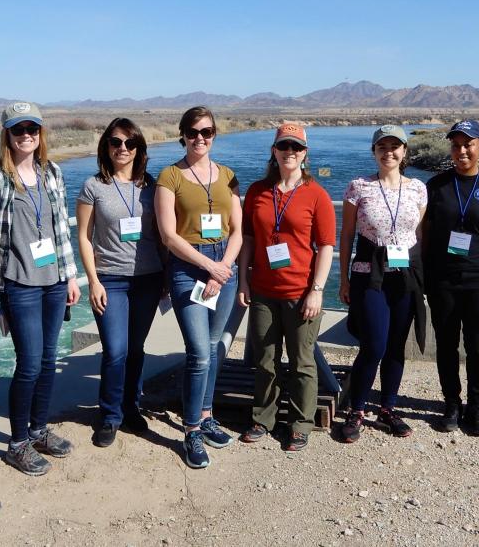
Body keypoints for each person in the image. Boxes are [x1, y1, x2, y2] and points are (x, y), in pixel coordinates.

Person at [0, 101, 81, 476]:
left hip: (54, 282)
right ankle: (17, 442)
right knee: (28, 364)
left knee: (49, 360)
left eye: (32, 129)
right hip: (19, 285)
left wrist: (71, 276)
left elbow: (60, 230)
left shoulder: (52, 172)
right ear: (6, 134)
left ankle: (39, 430)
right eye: (18, 129)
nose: (26, 135)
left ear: (41, 134)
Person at [236, 123, 336, 451]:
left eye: (296, 147)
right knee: (265, 359)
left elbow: (325, 247)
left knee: (302, 361)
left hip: (300, 292)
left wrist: (317, 290)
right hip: (264, 290)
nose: (289, 152)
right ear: (274, 151)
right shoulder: (257, 192)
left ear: (305, 153)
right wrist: (243, 280)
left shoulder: (317, 195)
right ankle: (263, 418)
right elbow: (248, 239)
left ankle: (300, 422)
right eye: (284, 146)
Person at [155, 106, 242, 469]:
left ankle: (206, 415)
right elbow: (168, 235)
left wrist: (223, 268)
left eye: (206, 132)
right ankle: (191, 429)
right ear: (183, 135)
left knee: (212, 346)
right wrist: (208, 267)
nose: (200, 139)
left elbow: (237, 229)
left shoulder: (228, 175)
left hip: (224, 264)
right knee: (198, 352)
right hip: (188, 268)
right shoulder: (169, 177)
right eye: (193, 133)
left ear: (214, 135)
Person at [77, 118, 164, 447]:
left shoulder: (151, 186)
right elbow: (84, 238)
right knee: (115, 350)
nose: (122, 149)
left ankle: (131, 407)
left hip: (148, 279)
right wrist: (93, 281)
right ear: (106, 146)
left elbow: (161, 236)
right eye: (116, 142)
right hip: (110, 280)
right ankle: (109, 414)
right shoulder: (93, 186)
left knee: (136, 349)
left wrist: (167, 275)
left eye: (129, 143)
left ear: (139, 148)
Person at [422, 120, 479, 436]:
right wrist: (423, 273)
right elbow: (426, 234)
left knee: (478, 347)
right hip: (443, 281)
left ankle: (475, 407)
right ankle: (451, 404)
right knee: (446, 345)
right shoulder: (436, 187)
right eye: (456, 144)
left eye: (468, 144)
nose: (461, 150)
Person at [338, 125, 427, 443]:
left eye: (395, 146)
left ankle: (388, 408)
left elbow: (420, 236)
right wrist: (344, 278)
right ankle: (357, 409)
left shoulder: (418, 188)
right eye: (382, 146)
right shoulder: (358, 187)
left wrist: (422, 277)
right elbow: (346, 235)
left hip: (404, 277)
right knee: (374, 344)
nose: (389, 152)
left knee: (395, 346)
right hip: (368, 274)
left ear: (404, 152)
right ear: (374, 151)